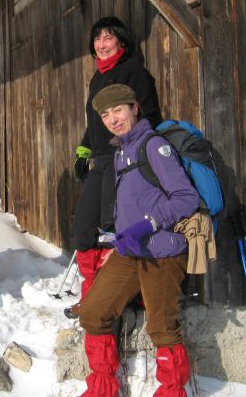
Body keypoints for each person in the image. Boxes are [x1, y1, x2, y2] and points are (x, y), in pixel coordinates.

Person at [79, 84, 199, 397]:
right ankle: (103, 387)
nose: (112, 119)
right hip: (130, 251)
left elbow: (186, 198)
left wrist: (148, 224)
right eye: (105, 114)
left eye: (118, 110)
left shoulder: (153, 145)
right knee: (93, 312)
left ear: (134, 107)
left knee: (161, 327)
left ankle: (172, 392)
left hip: (162, 251)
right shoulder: (121, 151)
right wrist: (119, 238)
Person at [67, 16, 162, 318]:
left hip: (126, 161)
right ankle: (95, 296)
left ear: (121, 41)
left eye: (108, 37)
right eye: (97, 38)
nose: (101, 43)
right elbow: (94, 123)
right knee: (83, 229)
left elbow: (151, 118)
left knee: (112, 229)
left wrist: (134, 154)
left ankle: (122, 298)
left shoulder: (134, 73)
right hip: (102, 162)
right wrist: (84, 150)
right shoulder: (97, 77)